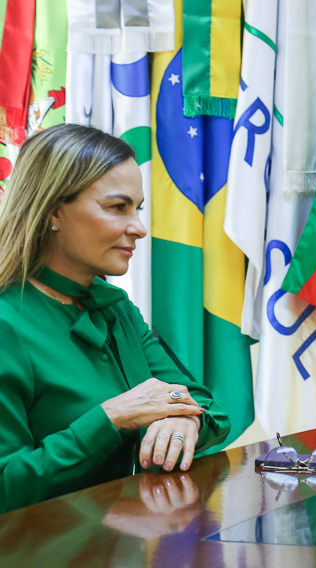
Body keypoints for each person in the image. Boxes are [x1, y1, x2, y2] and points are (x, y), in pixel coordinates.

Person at [0, 124, 230, 514]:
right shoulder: (7, 323)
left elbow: (205, 404)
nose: (139, 228)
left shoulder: (115, 307)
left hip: (122, 540)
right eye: (118, 207)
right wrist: (111, 418)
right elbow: (7, 488)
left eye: (137, 208)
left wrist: (184, 422)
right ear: (53, 210)